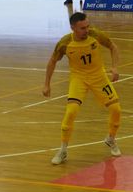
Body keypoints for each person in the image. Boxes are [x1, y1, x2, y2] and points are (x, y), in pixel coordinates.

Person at [43, 12, 122, 165]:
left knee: (116, 109)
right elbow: (52, 61)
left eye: (87, 26)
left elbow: (112, 46)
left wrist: (114, 67)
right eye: (82, 28)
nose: (87, 30)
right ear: (73, 28)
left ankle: (110, 139)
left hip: (99, 77)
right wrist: (47, 84)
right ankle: (63, 150)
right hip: (78, 79)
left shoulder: (96, 35)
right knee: (71, 112)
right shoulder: (65, 43)